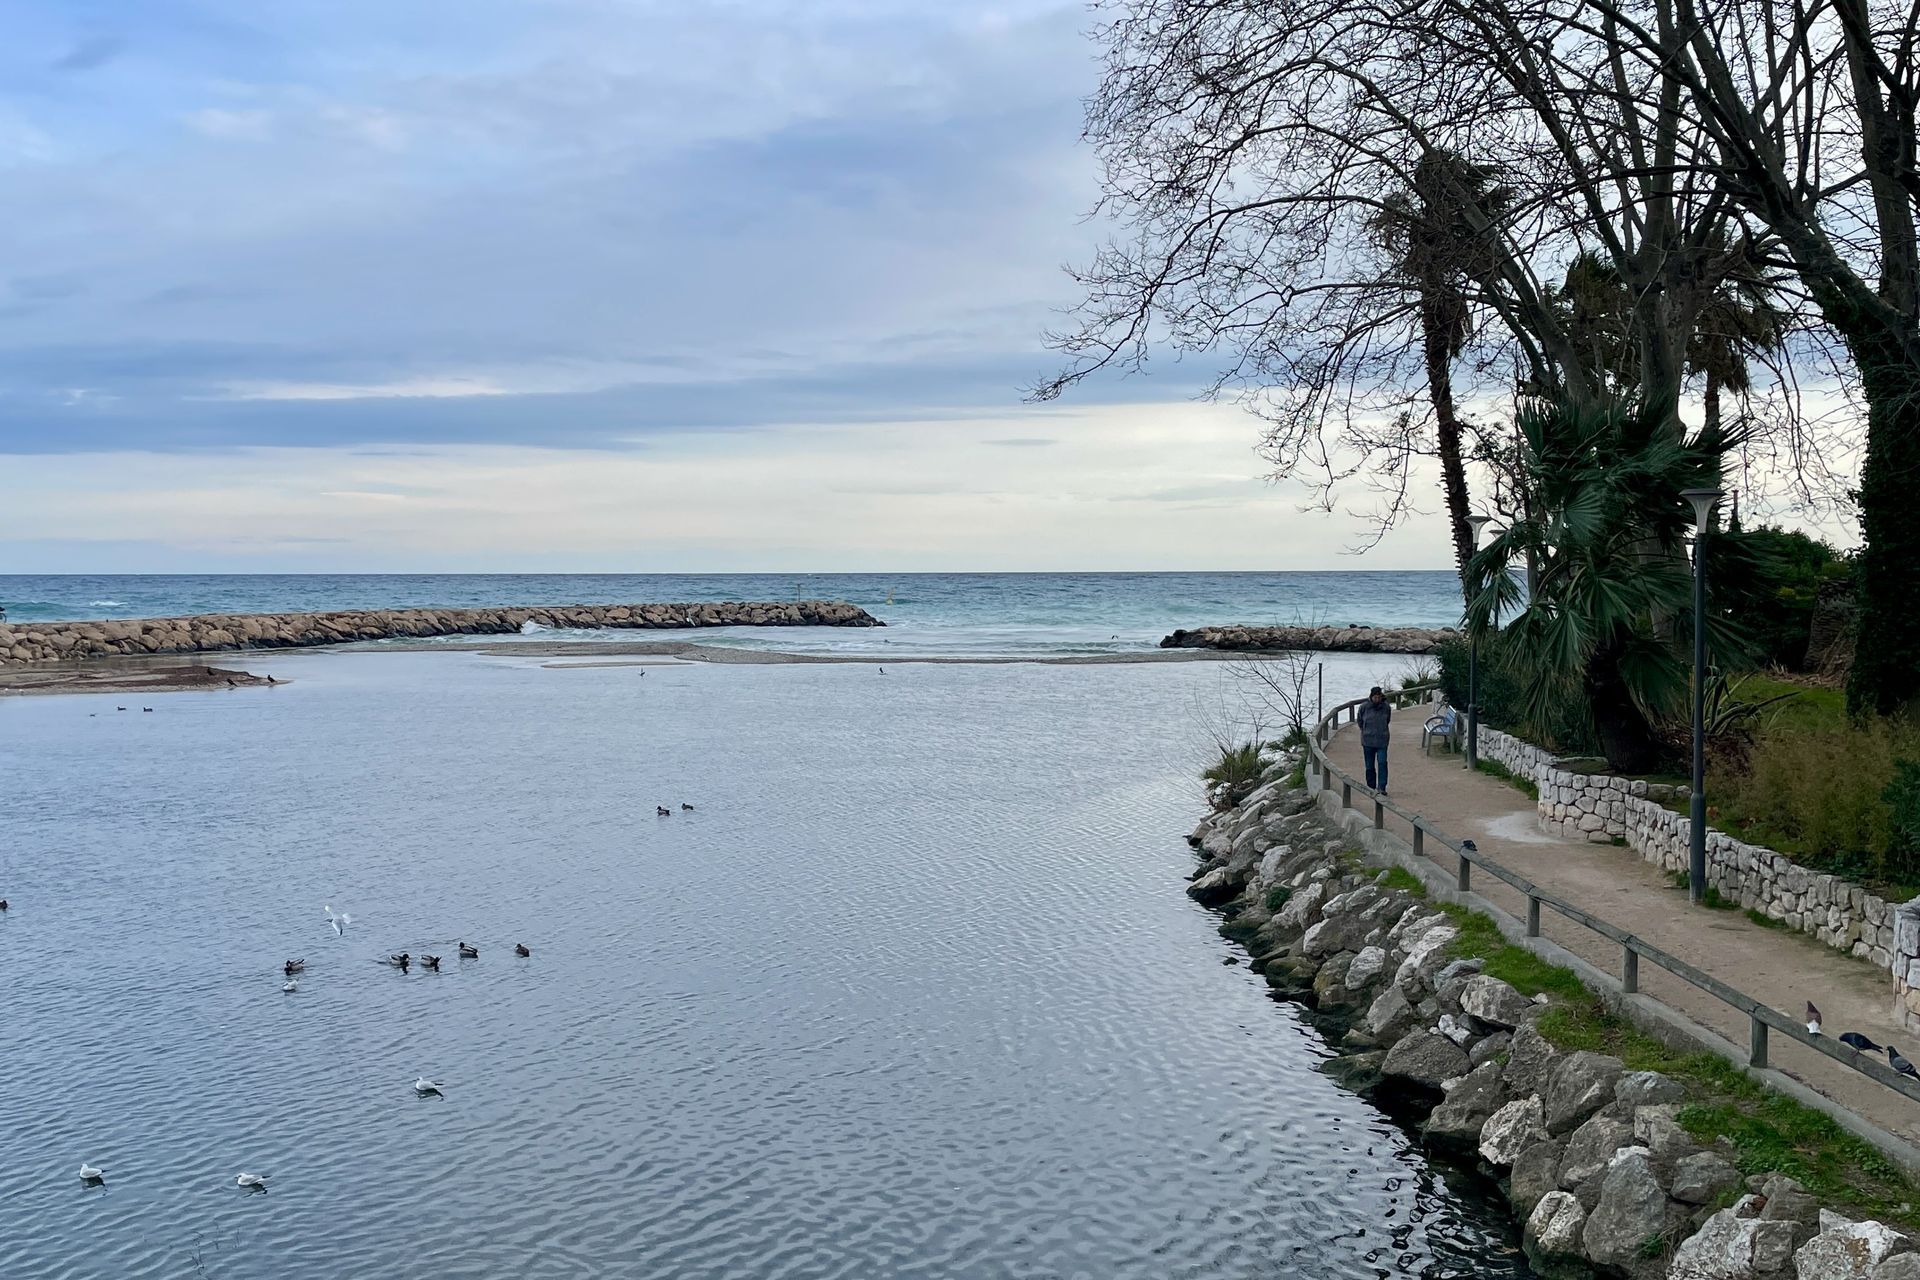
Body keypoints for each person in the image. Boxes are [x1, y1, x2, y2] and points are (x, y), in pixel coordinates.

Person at [1357, 686, 1392, 793]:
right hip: (1368, 741)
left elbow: (1388, 720)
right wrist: (1366, 731)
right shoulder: (1364, 707)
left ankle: (1382, 787)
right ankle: (1371, 786)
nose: (1377, 699)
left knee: (1382, 763)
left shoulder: (1386, 707)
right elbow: (1359, 721)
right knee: (1369, 765)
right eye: (1375, 697)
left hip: (1382, 740)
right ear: (1371, 697)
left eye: (1378, 697)